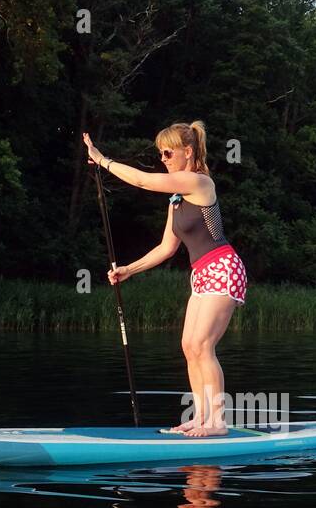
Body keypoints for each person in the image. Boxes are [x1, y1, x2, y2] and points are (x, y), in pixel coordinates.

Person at [83, 122, 248, 437]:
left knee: (203, 344)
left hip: (224, 267)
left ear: (187, 152)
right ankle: (201, 418)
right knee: (189, 345)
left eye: (168, 152)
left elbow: (143, 182)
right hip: (201, 274)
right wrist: (128, 270)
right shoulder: (176, 199)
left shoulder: (199, 182)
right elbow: (166, 248)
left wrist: (102, 160)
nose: (163, 157)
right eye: (160, 153)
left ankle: (216, 423)